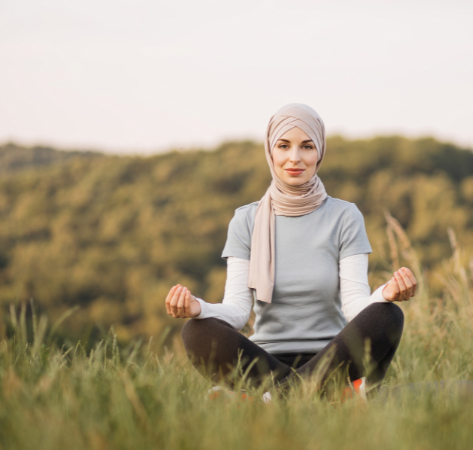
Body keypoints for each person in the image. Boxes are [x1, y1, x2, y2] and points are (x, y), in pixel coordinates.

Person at [164, 104, 416, 399]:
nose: (294, 158)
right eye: (284, 145)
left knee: (387, 316)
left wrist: (384, 294)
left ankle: (270, 400)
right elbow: (236, 311)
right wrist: (199, 308)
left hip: (334, 359)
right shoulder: (246, 219)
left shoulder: (345, 216)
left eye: (307, 146)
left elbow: (355, 307)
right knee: (196, 332)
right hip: (264, 363)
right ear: (270, 151)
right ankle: (328, 396)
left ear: (319, 152)